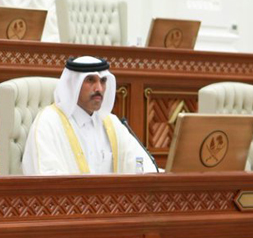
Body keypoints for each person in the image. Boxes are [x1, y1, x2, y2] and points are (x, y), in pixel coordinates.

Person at [22, 56, 157, 175]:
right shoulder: (49, 122)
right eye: (90, 80)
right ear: (73, 85)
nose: (99, 88)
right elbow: (45, 176)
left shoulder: (111, 123)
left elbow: (142, 164)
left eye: (103, 80)